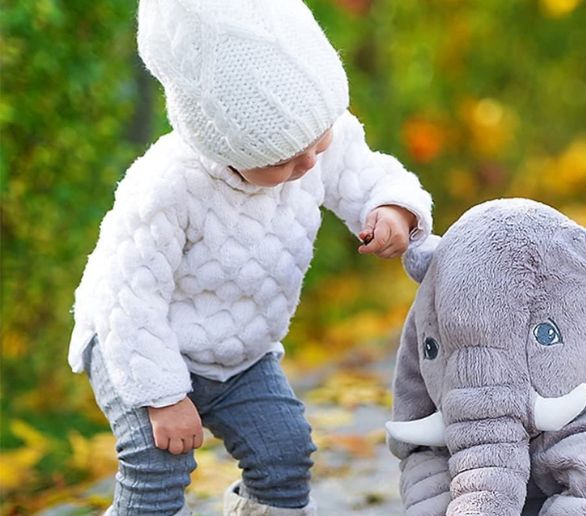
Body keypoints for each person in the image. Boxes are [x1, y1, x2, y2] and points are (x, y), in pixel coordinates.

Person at [67, 1, 433, 514]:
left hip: (239, 351)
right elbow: (128, 297)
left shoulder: (312, 134)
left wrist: (392, 208)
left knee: (283, 454)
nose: (309, 164)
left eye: (317, 144)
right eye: (283, 159)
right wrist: (163, 397)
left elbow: (366, 173)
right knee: (158, 461)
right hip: (138, 344)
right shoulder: (166, 188)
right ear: (223, 146)